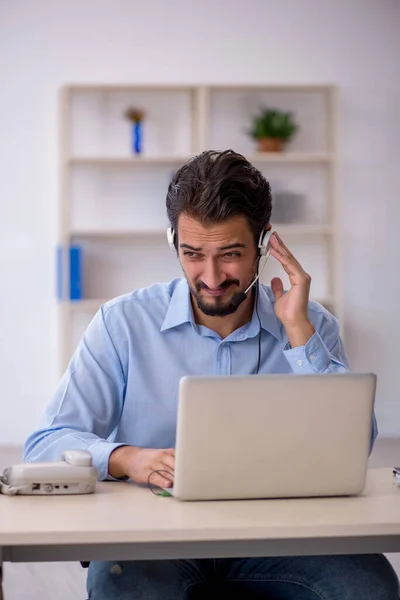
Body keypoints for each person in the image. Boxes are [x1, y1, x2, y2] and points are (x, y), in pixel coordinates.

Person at [24, 150, 398, 599]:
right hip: (155, 537)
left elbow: (356, 447)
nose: (212, 276)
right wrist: (128, 458)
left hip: (284, 535)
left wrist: (299, 334)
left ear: (263, 244)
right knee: (120, 585)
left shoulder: (309, 324)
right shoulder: (121, 322)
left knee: (369, 588)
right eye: (193, 254)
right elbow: (48, 441)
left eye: (231, 254)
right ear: (173, 244)